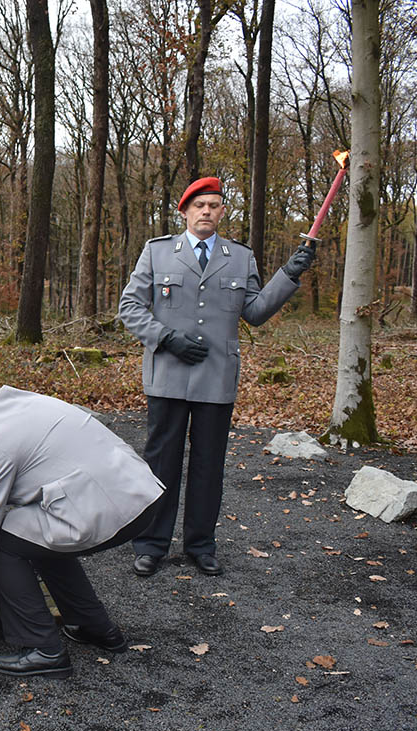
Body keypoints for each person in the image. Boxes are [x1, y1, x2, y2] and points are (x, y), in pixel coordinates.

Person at [118, 176, 315, 578]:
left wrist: (289, 275)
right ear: (185, 211)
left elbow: (256, 313)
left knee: (209, 467)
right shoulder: (157, 253)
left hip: (216, 378)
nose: (206, 211)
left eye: (214, 205)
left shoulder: (239, 257)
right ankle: (152, 544)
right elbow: (130, 307)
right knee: (160, 465)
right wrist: (166, 338)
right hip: (168, 375)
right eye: (199, 205)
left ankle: (200, 545)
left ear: (223, 211)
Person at [0, 375, 165, 678]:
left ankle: (42, 648)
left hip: (109, 506)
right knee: (35, 532)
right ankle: (93, 626)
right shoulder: (25, 403)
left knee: (1, 536)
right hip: (140, 492)